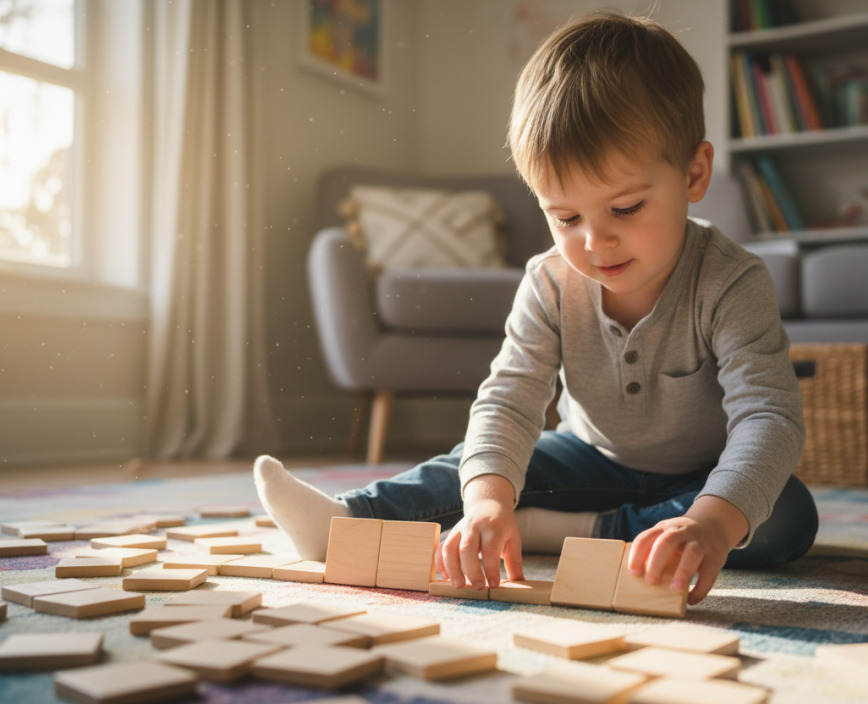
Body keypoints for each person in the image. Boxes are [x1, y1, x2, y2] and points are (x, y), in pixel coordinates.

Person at [255, 10, 818, 607]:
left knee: (784, 516)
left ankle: (576, 532)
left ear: (694, 172)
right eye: (567, 218)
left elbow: (768, 418)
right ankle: (350, 519)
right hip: (585, 455)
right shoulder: (549, 281)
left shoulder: (733, 282)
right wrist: (490, 504)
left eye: (625, 208)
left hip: (702, 473)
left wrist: (709, 522)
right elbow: (510, 400)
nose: (594, 243)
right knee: (473, 467)